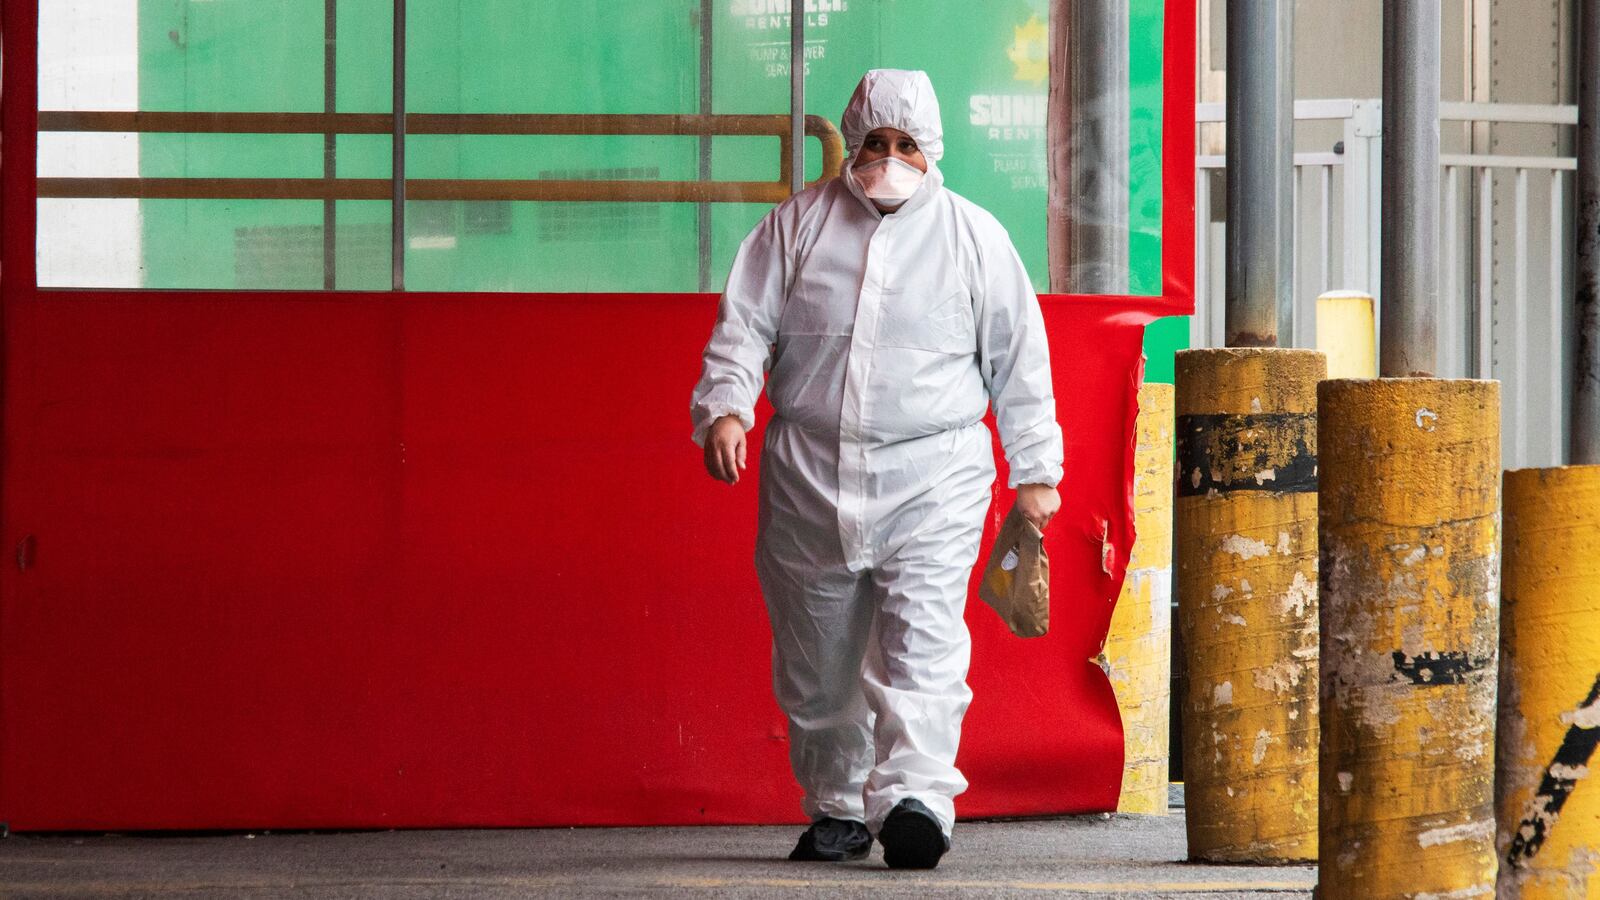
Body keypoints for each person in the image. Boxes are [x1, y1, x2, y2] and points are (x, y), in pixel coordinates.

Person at [690, 69, 1063, 870]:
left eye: (907, 144)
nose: (889, 158)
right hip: (809, 473)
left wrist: (1036, 470)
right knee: (818, 655)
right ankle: (837, 808)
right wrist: (727, 406)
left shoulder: (973, 238)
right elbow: (744, 325)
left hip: (934, 475)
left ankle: (916, 800)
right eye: (874, 142)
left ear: (933, 150)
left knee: (923, 641)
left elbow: (1019, 358)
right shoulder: (795, 228)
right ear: (852, 142)